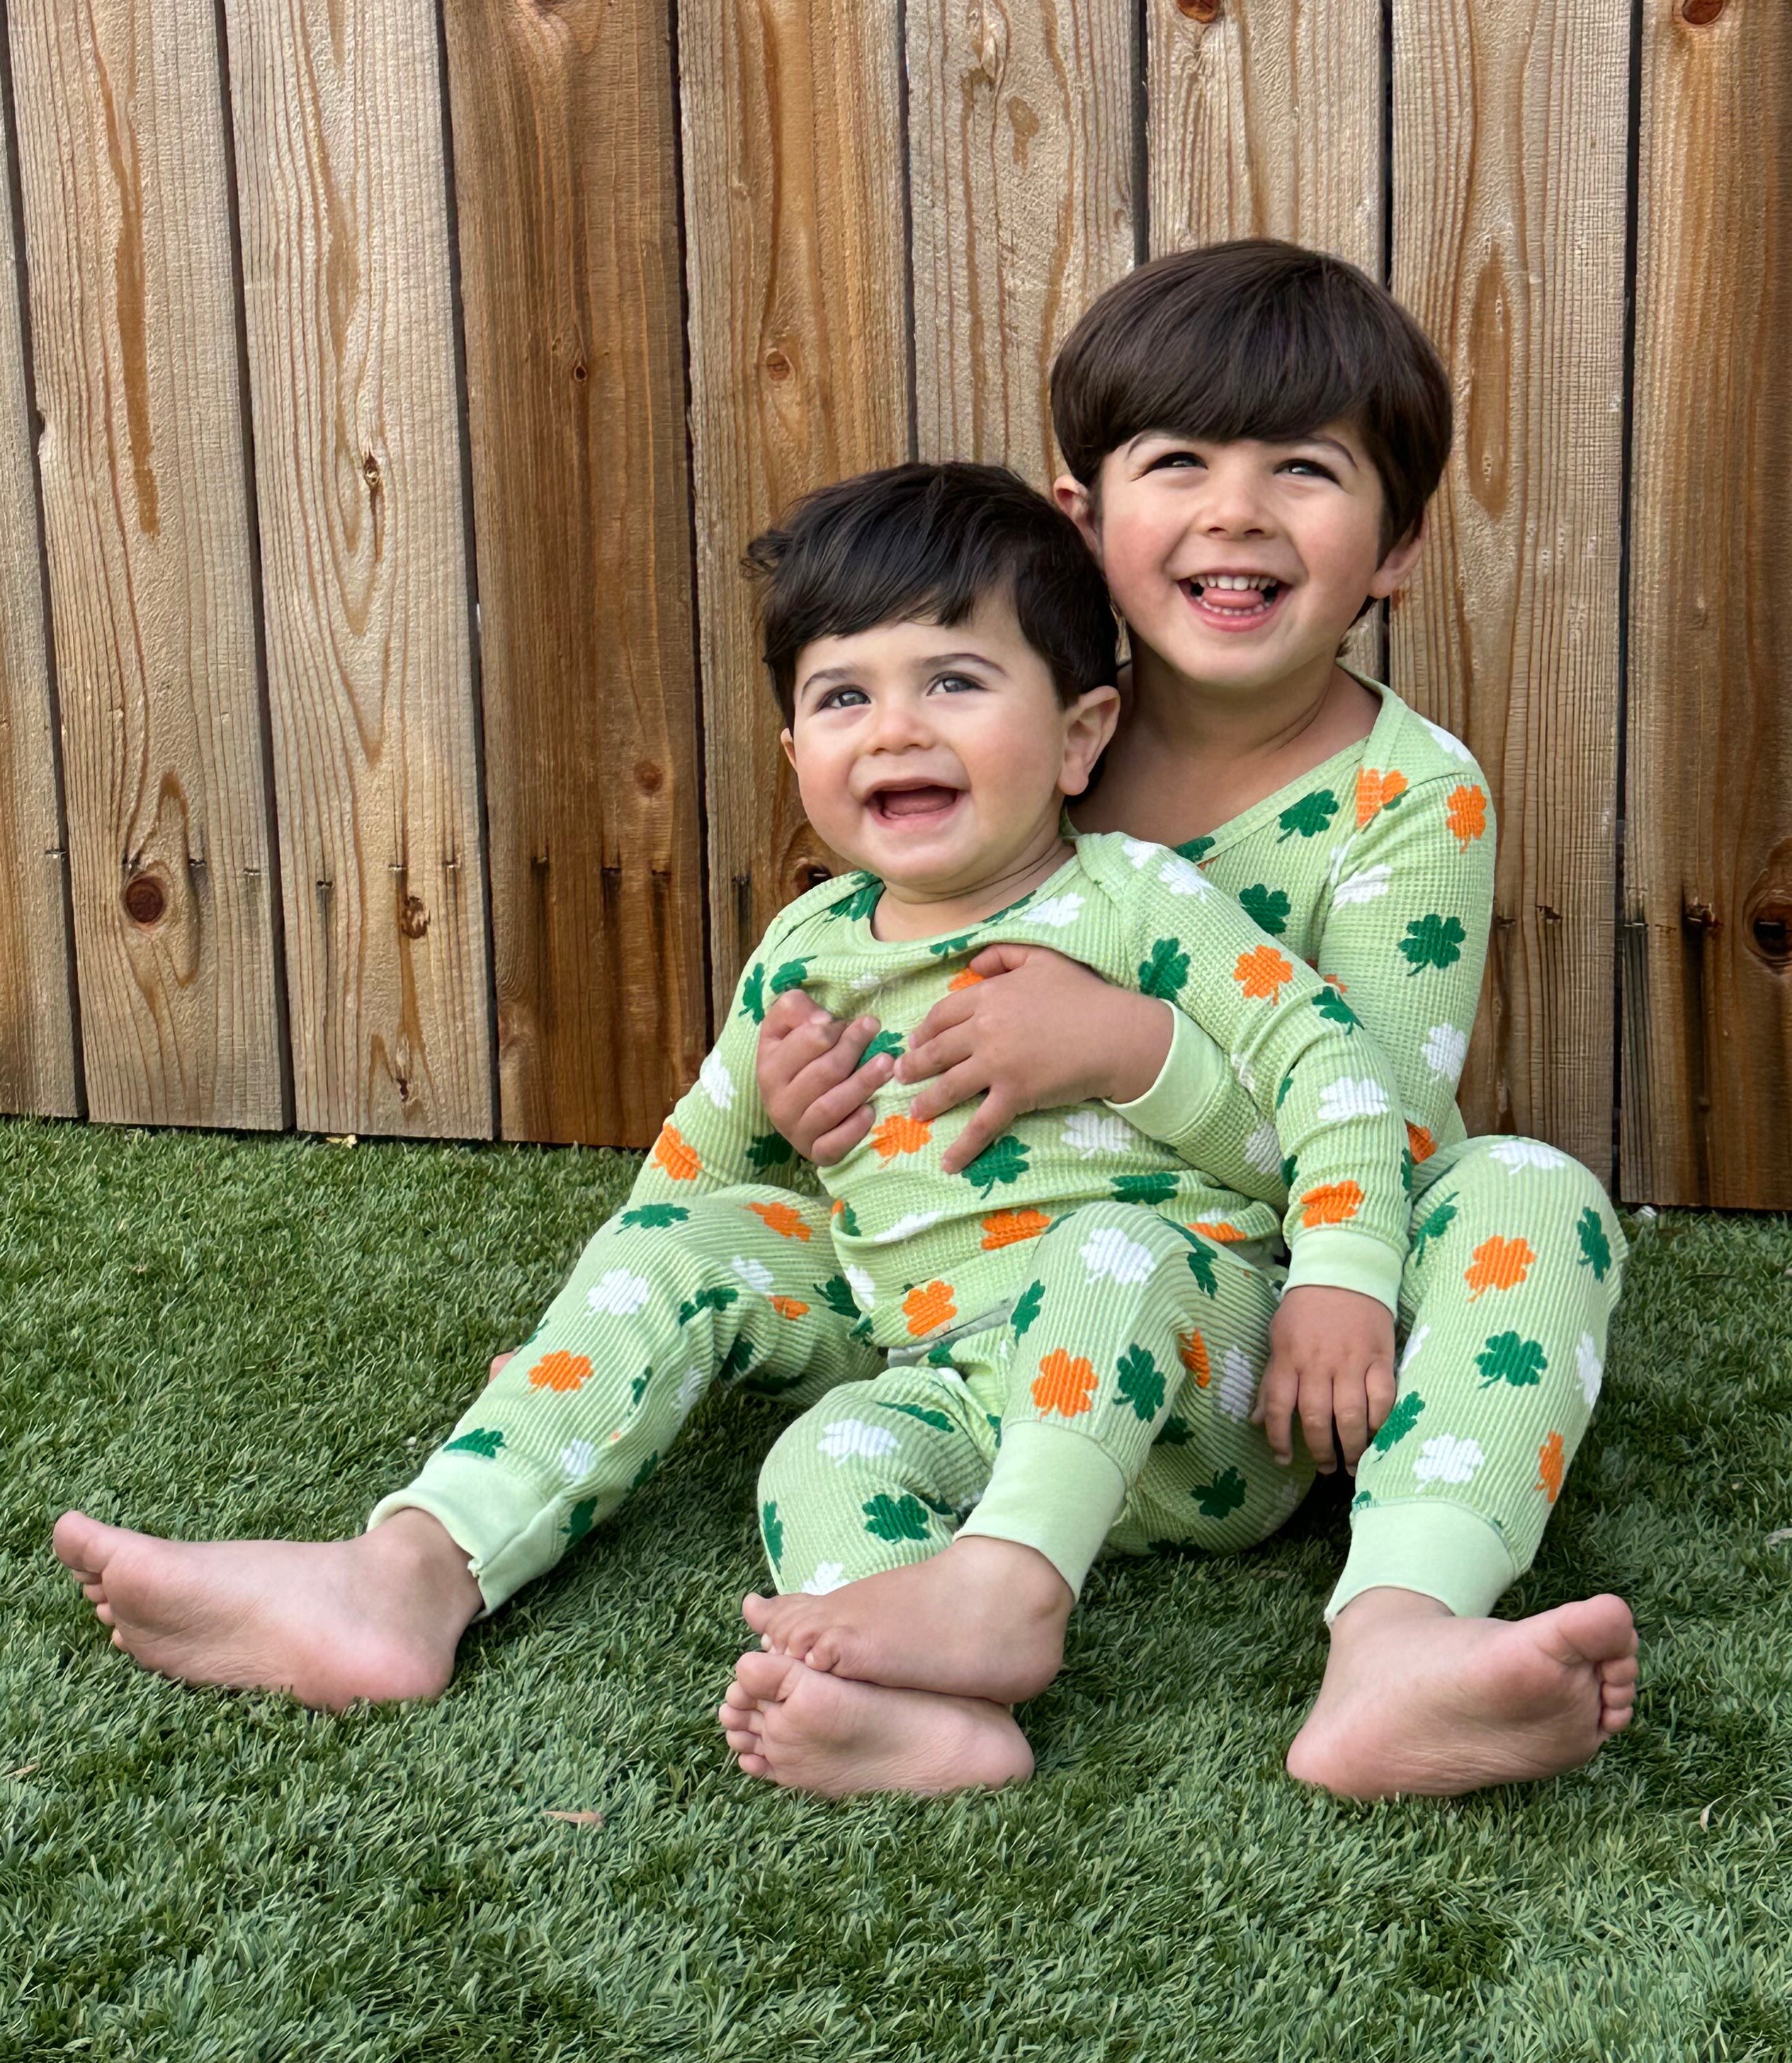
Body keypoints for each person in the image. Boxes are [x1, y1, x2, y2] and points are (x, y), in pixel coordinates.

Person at [55, 462, 1422, 1800]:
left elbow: (1331, 1063)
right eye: (843, 694)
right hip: (946, 1380)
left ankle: (1008, 1595)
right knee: (812, 1444)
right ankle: (430, 1579)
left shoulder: (1132, 899)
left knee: (1111, 1243)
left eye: (952, 679)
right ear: (794, 756)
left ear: (1079, 733)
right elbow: (694, 1167)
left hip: (1185, 1391)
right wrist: (591, 1325)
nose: (892, 728)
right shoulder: (809, 947)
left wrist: (1346, 1279)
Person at [744, 239, 1636, 1801]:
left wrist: (1122, 1054)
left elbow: (1381, 1119)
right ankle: (894, 1685)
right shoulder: (995, 733)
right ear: (1082, 518)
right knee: (824, 1452)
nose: (1235, 513)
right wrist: (817, 1099)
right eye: (1178, 464)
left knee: (1527, 1190)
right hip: (997, 1346)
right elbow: (862, 1002)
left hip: (1282, 1347)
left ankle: (1398, 1638)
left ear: (1395, 545)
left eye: (1302, 469)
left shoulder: (1405, 796)